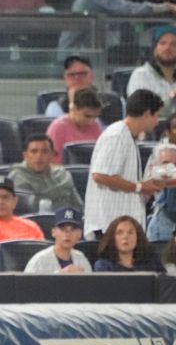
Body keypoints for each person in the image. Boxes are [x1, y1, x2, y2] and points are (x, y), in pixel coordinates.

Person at [84, 89, 164, 238]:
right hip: (109, 227)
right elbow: (100, 175)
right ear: (147, 113)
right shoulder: (117, 135)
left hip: (122, 227)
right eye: (157, 116)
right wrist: (139, 186)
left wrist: (146, 188)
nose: (157, 122)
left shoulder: (128, 136)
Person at [9, 134, 84, 210]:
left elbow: (79, 207)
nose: (39, 156)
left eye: (45, 151)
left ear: (52, 155)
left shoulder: (62, 174)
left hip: (67, 220)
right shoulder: (17, 176)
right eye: (34, 151)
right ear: (25, 155)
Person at [24, 206, 92, 273]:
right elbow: (26, 284)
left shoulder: (81, 259)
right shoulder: (39, 261)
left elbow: (91, 283)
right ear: (53, 232)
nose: (67, 234)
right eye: (63, 229)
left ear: (79, 234)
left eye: (73, 229)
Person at [46, 87, 103, 165]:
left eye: (95, 117)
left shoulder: (95, 126)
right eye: (87, 116)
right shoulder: (58, 128)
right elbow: (51, 161)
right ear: (75, 108)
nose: (91, 121)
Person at [126, 25, 176, 112]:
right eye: (163, 43)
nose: (167, 48)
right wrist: (171, 98)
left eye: (173, 44)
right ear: (155, 49)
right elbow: (141, 110)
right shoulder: (141, 75)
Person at [94, 214, 165, 272]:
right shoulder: (104, 266)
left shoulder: (152, 264)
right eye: (119, 233)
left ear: (138, 237)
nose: (125, 236)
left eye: (130, 233)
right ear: (112, 237)